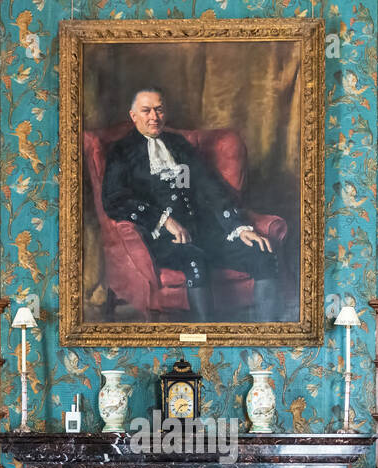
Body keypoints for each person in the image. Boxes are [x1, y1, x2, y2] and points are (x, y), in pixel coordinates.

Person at [100, 87, 280, 323]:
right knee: (195, 260)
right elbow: (114, 199)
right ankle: (204, 344)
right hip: (160, 239)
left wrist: (240, 228)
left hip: (204, 231)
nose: (154, 117)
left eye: (159, 110)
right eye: (146, 111)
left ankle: (267, 341)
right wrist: (163, 220)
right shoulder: (121, 151)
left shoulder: (179, 144)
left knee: (263, 254)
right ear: (133, 116)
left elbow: (210, 187)